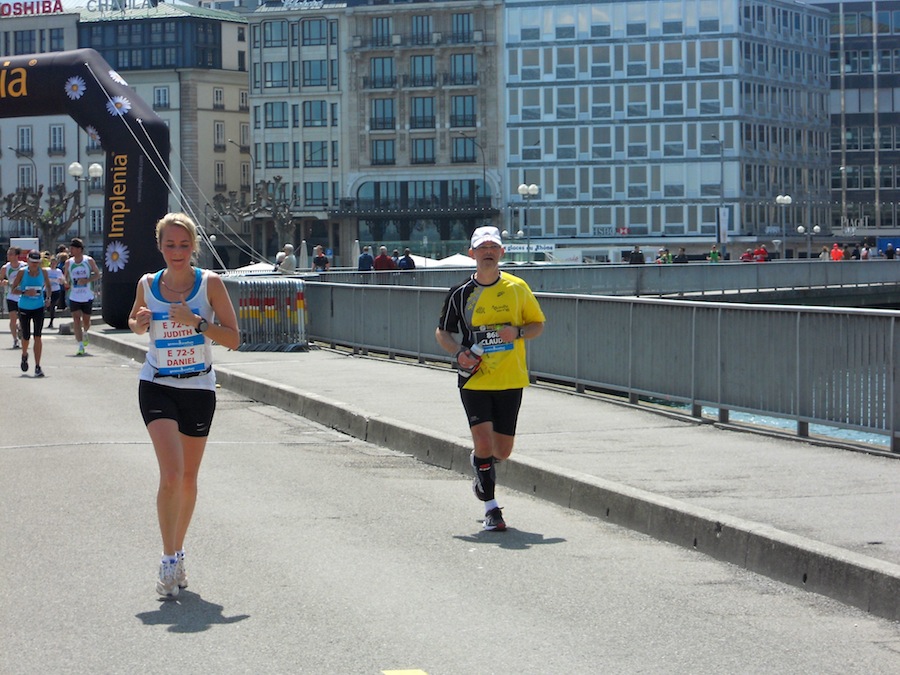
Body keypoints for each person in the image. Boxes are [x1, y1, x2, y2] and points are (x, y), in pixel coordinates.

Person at [127, 212, 240, 598]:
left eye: (184, 244)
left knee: (189, 480)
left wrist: (197, 322)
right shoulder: (147, 284)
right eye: (169, 244)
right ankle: (168, 558)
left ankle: (179, 551)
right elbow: (134, 322)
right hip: (157, 385)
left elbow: (235, 339)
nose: (177, 252)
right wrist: (139, 324)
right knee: (172, 475)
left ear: (194, 246)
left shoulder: (209, 284)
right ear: (159, 246)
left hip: (199, 388)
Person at [435, 226, 546, 532]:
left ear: (501, 253)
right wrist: (459, 353)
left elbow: (537, 324)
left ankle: (480, 464)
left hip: (510, 378)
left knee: (502, 451)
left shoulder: (517, 288)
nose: (487, 252)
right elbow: (443, 331)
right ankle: (491, 509)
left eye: (493, 247)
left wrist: (519, 332)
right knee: (484, 441)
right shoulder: (460, 293)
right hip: (475, 379)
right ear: (472, 253)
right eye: (482, 247)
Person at [11, 250, 52, 377]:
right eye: (32, 262)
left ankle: (38, 366)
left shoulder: (43, 272)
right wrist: (25, 292)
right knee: (26, 336)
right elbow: (13, 289)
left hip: (39, 307)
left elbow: (49, 287)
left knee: (38, 336)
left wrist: (48, 298)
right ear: (28, 261)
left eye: (37, 263)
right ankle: (24, 354)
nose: (34, 265)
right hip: (24, 307)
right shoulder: (22, 272)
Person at [64, 238, 101, 356]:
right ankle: (80, 345)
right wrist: (65, 282)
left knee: (86, 320)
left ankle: (85, 332)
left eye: (73, 248)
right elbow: (66, 277)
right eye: (70, 248)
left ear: (80, 249)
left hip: (87, 294)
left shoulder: (88, 260)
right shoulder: (68, 263)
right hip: (74, 295)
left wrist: (87, 280)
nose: (71, 250)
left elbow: (97, 275)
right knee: (76, 319)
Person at [0, 247, 24, 348]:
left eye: (11, 254)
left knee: (23, 319)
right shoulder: (5, 268)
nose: (8, 256)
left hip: (23, 295)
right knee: (13, 319)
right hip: (11, 296)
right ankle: (15, 340)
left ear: (16, 256)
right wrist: (4, 282)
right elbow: (1, 281)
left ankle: (20, 328)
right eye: (8, 254)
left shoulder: (24, 266)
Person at [46, 255, 67, 328]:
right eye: (52, 263)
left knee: (52, 306)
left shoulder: (58, 271)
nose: (53, 265)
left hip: (56, 290)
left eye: (54, 263)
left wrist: (61, 281)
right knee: (47, 306)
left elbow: (62, 281)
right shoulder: (46, 270)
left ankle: (51, 322)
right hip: (47, 290)